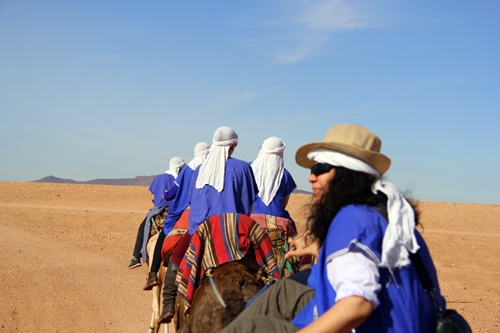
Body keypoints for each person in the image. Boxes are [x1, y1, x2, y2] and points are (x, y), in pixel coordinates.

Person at [221, 124, 446, 333]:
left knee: (250, 327)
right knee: (282, 292)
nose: (311, 177)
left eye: (320, 168)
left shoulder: (353, 218)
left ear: (346, 174)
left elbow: (357, 303)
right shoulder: (382, 211)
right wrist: (320, 248)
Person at [158, 125, 258, 323]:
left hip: (200, 230)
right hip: (233, 231)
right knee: (265, 264)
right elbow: (250, 203)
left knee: (177, 257)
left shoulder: (199, 170)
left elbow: (193, 203)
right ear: (234, 145)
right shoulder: (243, 167)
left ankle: (168, 303)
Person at [142, 142, 210, 289]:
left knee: (164, 234)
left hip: (182, 211)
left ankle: (153, 273)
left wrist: (166, 196)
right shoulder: (211, 168)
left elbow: (173, 191)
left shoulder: (186, 170)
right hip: (204, 212)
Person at [128, 157, 185, 269]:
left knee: (142, 228)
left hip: (157, 212)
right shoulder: (180, 179)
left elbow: (153, 198)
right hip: (175, 212)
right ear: (179, 168)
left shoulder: (159, 178)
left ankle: (136, 257)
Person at [250, 136, 297, 219]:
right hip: (276, 219)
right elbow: (284, 204)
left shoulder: (247, 168)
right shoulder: (285, 174)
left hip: (250, 218)